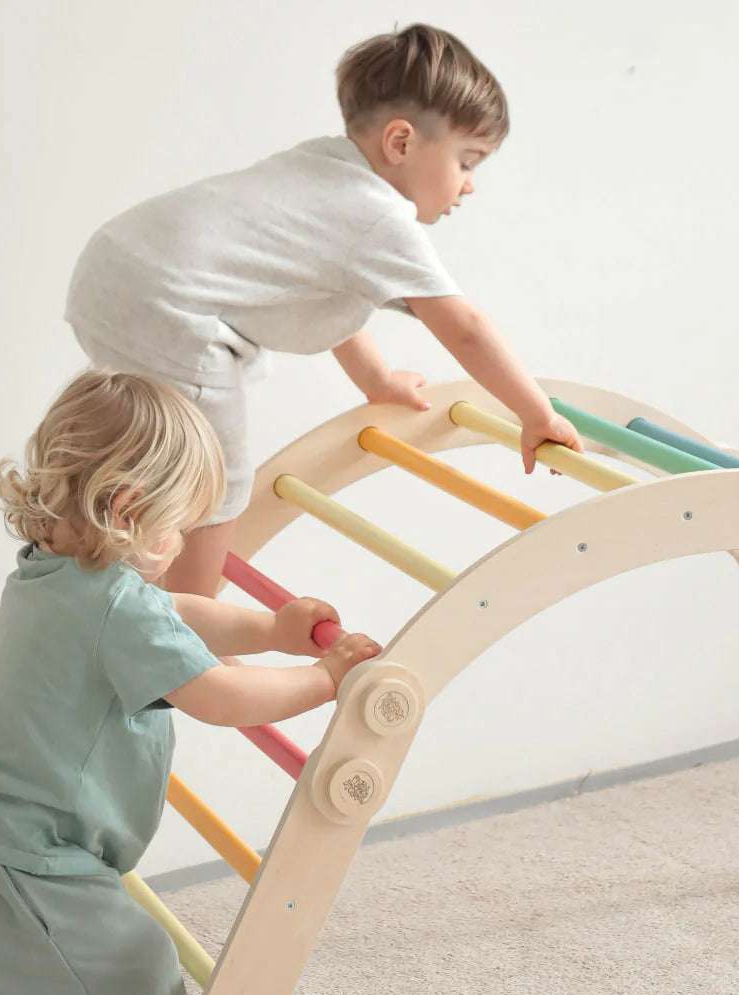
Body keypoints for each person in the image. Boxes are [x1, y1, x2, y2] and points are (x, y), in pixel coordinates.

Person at [0, 369, 380, 995]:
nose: (182, 542)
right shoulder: (117, 609)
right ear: (128, 510)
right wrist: (323, 679)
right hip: (29, 860)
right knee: (140, 970)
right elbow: (221, 696)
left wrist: (273, 629)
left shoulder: (49, 573)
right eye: (179, 526)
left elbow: (179, 614)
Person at [65, 22, 584, 596]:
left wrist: (376, 379)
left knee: (147, 455)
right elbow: (465, 329)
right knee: (216, 476)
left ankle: (96, 568)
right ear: (401, 143)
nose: (469, 185)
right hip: (167, 306)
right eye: (467, 161)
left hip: (112, 269)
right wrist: (536, 414)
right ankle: (189, 619)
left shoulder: (320, 167)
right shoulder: (379, 216)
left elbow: (319, 289)